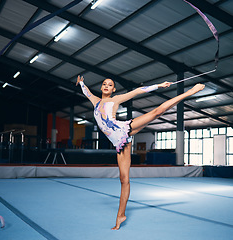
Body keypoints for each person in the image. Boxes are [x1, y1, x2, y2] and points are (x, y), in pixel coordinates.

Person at [76, 75, 205, 230]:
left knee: (157, 112)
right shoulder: (95, 101)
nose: (106, 86)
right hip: (119, 143)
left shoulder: (115, 99)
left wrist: (159, 85)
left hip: (124, 129)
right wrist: (81, 82)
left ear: (113, 89)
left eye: (110, 85)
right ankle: (121, 215)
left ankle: (190, 92)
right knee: (124, 180)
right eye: (104, 84)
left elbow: (138, 91)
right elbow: (86, 91)